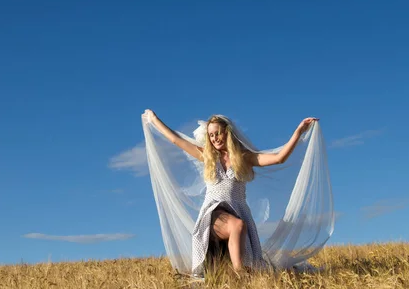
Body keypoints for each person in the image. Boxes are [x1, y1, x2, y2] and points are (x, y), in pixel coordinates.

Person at [141, 109, 332, 278]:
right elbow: (176, 139)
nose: (215, 138)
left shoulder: (244, 158)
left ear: (227, 133)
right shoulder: (208, 157)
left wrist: (298, 132)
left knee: (244, 248)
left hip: (237, 213)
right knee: (237, 226)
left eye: (218, 133)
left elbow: (279, 158)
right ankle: (240, 271)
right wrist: (155, 119)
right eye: (211, 135)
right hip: (213, 216)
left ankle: (239, 273)